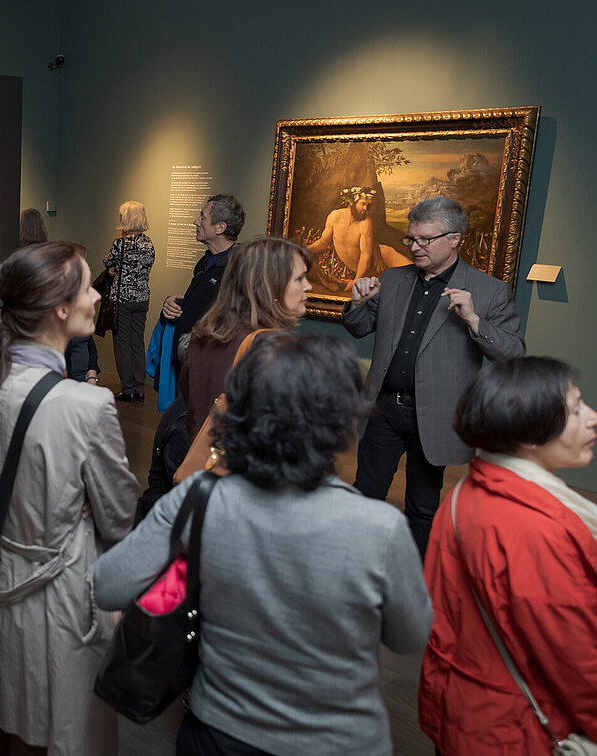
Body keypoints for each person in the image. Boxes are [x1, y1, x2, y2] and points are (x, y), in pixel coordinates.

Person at [96, 331, 433, 756]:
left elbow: (108, 584)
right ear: (340, 419)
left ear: (240, 410)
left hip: (219, 732)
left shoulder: (197, 499)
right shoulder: (379, 527)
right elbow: (409, 636)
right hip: (339, 741)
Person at [0, 241, 138, 756]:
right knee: (56, 722)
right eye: (87, 286)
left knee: (2, 710)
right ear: (60, 308)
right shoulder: (86, 404)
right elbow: (119, 516)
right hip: (56, 593)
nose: (97, 295)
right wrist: (76, 501)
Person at [420, 357, 597, 754]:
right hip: (513, 730)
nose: (592, 417)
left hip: (468, 711)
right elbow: (577, 664)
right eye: (575, 411)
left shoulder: (468, 490)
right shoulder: (531, 528)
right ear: (531, 433)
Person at [344, 194, 525, 555]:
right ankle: (355, 567)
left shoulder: (489, 291)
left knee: (422, 507)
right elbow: (359, 327)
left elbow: (513, 353)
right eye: (411, 238)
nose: (415, 247)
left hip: (435, 415)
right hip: (383, 410)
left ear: (454, 239)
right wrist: (358, 300)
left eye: (426, 239)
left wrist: (474, 320)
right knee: (364, 496)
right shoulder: (394, 279)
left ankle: (413, 584)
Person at [180, 237, 312, 438]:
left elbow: (192, 404)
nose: (308, 286)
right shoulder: (273, 349)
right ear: (271, 285)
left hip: (205, 460)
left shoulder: (203, 336)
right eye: (299, 279)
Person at [159, 194, 245, 373]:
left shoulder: (239, 268)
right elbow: (200, 306)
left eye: (203, 217)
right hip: (188, 361)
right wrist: (171, 307)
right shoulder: (205, 261)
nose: (196, 222)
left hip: (209, 367)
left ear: (220, 227)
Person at [306, 186, 409, 290]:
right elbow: (323, 242)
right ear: (351, 202)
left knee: (414, 274)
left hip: (383, 255)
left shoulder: (365, 222)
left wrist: (356, 281)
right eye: (363, 204)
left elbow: (365, 255)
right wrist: (305, 250)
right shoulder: (334, 216)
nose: (365, 208)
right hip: (366, 269)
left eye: (367, 205)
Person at [103, 200, 155, 401]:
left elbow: (107, 261)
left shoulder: (119, 244)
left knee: (122, 342)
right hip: (142, 298)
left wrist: (112, 269)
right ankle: (139, 387)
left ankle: (127, 388)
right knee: (137, 342)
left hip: (123, 299)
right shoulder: (148, 243)